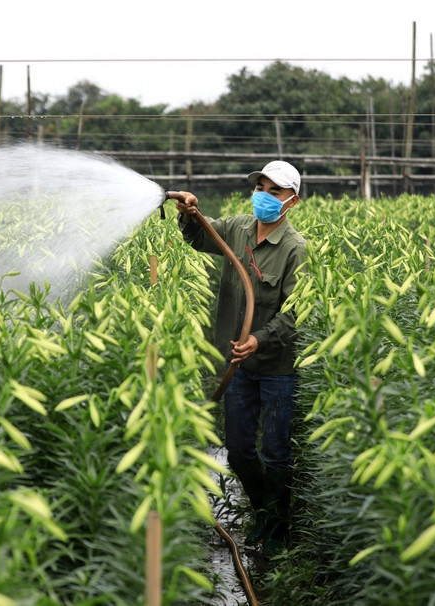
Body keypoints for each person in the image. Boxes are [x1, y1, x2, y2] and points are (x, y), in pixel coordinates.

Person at [172, 160, 307, 557]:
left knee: (276, 452)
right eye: (260, 187)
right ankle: (264, 511)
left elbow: (297, 311)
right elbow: (200, 237)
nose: (263, 196)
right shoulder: (236, 228)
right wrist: (190, 214)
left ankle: (275, 529)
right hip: (237, 364)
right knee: (239, 449)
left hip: (276, 366)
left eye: (274, 191)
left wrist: (260, 340)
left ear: (292, 202)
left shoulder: (294, 250)